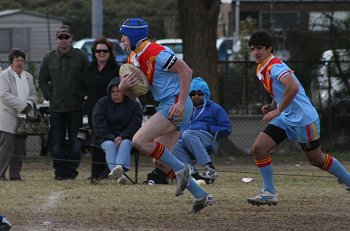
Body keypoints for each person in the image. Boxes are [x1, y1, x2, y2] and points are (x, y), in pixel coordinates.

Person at [118, 18, 213, 213]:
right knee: (159, 161)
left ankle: (183, 171)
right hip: (167, 105)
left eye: (124, 37)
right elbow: (137, 93)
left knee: (139, 140)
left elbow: (186, 71)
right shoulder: (133, 59)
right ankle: (200, 195)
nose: (122, 41)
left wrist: (180, 102)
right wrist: (123, 88)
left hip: (176, 104)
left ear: (134, 37)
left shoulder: (155, 51)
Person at [246, 30, 350, 206]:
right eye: (253, 48)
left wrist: (277, 111)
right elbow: (280, 89)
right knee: (259, 148)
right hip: (286, 117)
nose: (256, 52)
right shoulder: (263, 67)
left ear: (269, 49)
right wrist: (274, 105)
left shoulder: (275, 66)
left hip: (304, 119)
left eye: (260, 48)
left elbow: (292, 87)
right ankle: (270, 193)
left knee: (316, 159)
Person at [39, 25, 89, 180]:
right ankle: (59, 172)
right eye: (60, 37)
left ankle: (71, 172)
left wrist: (82, 95)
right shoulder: (49, 58)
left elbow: (87, 78)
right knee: (57, 142)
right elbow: (42, 80)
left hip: (76, 107)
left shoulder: (81, 56)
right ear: (56, 39)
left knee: (76, 141)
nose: (63, 40)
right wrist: (50, 96)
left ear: (71, 38)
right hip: (56, 108)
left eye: (66, 37)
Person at [173, 77, 231, 183]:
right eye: (193, 94)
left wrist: (209, 128)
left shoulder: (214, 108)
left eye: (200, 94)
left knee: (187, 134)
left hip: (207, 139)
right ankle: (193, 174)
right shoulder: (185, 110)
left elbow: (227, 127)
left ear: (205, 94)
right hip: (187, 139)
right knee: (174, 144)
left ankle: (209, 167)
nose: (196, 96)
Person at [93, 77, 142, 184]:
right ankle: (119, 175)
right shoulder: (102, 103)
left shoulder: (134, 106)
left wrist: (122, 136)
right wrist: (112, 137)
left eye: (118, 91)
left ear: (125, 92)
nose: (115, 94)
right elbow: (99, 124)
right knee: (110, 145)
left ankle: (118, 169)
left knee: (125, 143)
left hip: (127, 137)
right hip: (105, 138)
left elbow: (136, 125)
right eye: (113, 91)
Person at [0, 48, 38, 181]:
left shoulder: (29, 76)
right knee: (7, 147)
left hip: (24, 119)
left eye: (22, 60)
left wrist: (29, 104)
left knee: (19, 148)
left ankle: (15, 175)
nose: (20, 63)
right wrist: (23, 106)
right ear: (11, 62)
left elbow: (34, 94)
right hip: (7, 115)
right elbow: (4, 95)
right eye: (17, 60)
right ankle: (0, 174)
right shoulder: (4, 75)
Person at [85, 37, 120, 130]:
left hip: (111, 110)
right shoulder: (89, 69)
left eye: (105, 51)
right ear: (94, 52)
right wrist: (83, 95)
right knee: (94, 137)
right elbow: (81, 84)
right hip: (92, 109)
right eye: (98, 51)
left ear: (110, 53)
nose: (101, 53)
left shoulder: (116, 69)